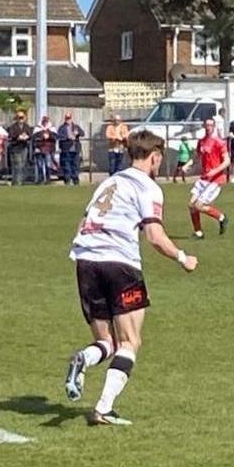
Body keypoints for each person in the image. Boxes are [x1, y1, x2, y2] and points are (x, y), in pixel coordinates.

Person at [63, 130, 198, 426]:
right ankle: (104, 409)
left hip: (86, 261)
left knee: (106, 342)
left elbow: (84, 221)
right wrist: (182, 258)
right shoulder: (148, 187)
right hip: (119, 264)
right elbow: (155, 236)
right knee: (130, 341)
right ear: (155, 157)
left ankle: (83, 358)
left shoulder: (109, 182)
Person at [189, 117, 229, 238]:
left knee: (198, 206)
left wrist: (214, 171)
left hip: (215, 179)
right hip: (204, 178)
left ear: (214, 126)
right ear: (203, 126)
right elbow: (197, 156)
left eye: (211, 125)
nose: (208, 127)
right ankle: (198, 232)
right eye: (206, 125)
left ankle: (221, 217)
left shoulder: (219, 142)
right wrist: (187, 165)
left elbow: (227, 161)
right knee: (191, 205)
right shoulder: (201, 141)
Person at [57, 112, 85, 185]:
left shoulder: (76, 126)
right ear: (65, 119)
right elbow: (59, 137)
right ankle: (67, 180)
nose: (68, 120)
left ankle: (75, 180)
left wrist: (77, 133)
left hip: (75, 149)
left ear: (71, 118)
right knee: (66, 166)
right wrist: (67, 137)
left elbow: (83, 133)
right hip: (66, 149)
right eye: (67, 118)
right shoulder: (62, 128)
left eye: (69, 118)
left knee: (75, 165)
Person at [6, 111, 31, 186]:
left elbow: (30, 134)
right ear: (17, 118)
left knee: (23, 165)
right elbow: (11, 135)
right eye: (19, 117)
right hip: (15, 148)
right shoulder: (13, 127)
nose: (21, 119)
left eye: (22, 117)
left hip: (24, 147)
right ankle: (16, 182)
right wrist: (18, 136)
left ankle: (20, 181)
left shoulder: (26, 126)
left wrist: (27, 136)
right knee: (17, 165)